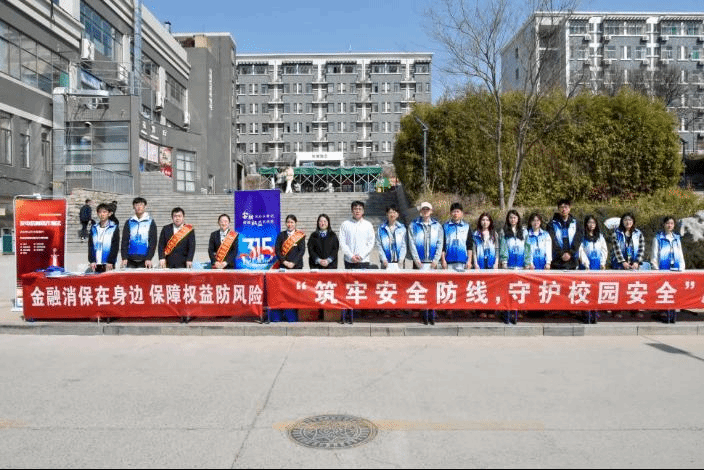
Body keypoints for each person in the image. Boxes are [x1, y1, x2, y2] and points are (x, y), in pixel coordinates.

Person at [339, 201, 375, 324]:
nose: (357, 211)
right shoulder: (345, 224)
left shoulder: (368, 225)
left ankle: (364, 311)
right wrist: (351, 255)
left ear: (363, 211)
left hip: (363, 261)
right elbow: (342, 242)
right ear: (352, 210)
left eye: (360, 209)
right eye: (355, 208)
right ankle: (350, 310)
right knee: (349, 286)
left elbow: (371, 243)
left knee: (363, 285)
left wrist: (361, 255)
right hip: (349, 260)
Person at [408, 202, 444, 325]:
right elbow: (412, 243)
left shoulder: (437, 226)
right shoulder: (413, 225)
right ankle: (423, 312)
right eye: (423, 209)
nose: (425, 211)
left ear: (431, 211)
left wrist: (436, 260)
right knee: (420, 287)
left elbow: (440, 243)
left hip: (433, 263)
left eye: (427, 209)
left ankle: (432, 312)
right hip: (419, 262)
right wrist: (416, 260)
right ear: (420, 211)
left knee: (432, 287)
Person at [651, 216, 685, 324]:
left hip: (675, 268)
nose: (669, 225)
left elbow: (680, 254)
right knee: (663, 291)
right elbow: (654, 255)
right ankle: (663, 313)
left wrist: (682, 267)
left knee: (673, 291)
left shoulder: (677, 238)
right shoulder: (658, 238)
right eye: (667, 223)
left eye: (671, 223)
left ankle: (672, 314)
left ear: (674, 225)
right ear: (664, 224)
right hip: (663, 269)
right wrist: (656, 269)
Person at [499, 210, 530, 324]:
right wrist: (504, 261)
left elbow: (527, 247)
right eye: (511, 217)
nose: (513, 220)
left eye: (515, 217)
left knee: (518, 289)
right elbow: (503, 247)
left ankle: (515, 313)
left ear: (518, 219)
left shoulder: (524, 232)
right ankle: (506, 313)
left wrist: (527, 262)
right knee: (507, 290)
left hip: (521, 265)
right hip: (508, 265)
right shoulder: (504, 231)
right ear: (508, 219)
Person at [578, 215, 608, 324]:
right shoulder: (582, 236)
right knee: (585, 290)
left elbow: (604, 250)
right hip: (585, 267)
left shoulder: (600, 237)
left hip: (597, 267)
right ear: (586, 224)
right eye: (589, 222)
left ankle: (595, 312)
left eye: (593, 223)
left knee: (596, 290)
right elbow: (580, 250)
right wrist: (586, 263)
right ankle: (586, 312)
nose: (591, 225)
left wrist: (603, 262)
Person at [472, 212, 498, 320]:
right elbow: (474, 250)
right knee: (480, 287)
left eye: (487, 220)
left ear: (490, 222)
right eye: (483, 220)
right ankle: (480, 310)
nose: (485, 222)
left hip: (491, 263)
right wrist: (475, 263)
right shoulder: (476, 234)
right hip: (480, 262)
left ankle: (491, 310)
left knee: (491, 287)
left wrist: (496, 262)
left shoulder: (494, 234)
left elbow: (497, 249)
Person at [120, 197, 157, 269]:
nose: (139, 207)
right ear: (133, 207)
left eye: (141, 205)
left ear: (145, 206)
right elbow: (124, 241)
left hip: (145, 259)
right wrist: (124, 257)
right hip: (130, 259)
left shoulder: (150, 222)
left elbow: (153, 242)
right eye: (136, 205)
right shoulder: (129, 222)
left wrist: (149, 258)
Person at [548, 198, 583, 270]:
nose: (564, 209)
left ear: (569, 209)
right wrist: (561, 254)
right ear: (558, 209)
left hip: (573, 259)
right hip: (557, 260)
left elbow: (578, 239)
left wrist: (570, 253)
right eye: (561, 207)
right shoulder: (551, 224)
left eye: (566, 207)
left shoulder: (576, 223)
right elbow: (552, 240)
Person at [88, 203, 120, 273]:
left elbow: (115, 246)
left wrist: (111, 261)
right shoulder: (94, 228)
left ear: (109, 214)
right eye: (100, 212)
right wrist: (92, 260)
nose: (102, 214)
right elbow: (90, 245)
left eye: (104, 212)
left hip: (108, 263)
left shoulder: (113, 228)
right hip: (96, 263)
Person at [441, 202, 472, 272]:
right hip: (448, 261)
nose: (456, 214)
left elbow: (469, 246)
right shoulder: (445, 227)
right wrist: (443, 260)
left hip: (463, 261)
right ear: (450, 213)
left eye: (458, 211)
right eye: (454, 211)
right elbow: (442, 246)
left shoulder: (466, 227)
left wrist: (469, 261)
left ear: (462, 213)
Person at [377, 204, 407, 270]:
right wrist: (384, 259)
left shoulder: (402, 228)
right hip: (385, 262)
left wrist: (401, 259)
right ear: (387, 214)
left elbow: (404, 245)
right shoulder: (381, 228)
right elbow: (379, 245)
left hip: (399, 262)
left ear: (398, 214)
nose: (392, 214)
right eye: (390, 212)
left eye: (394, 212)